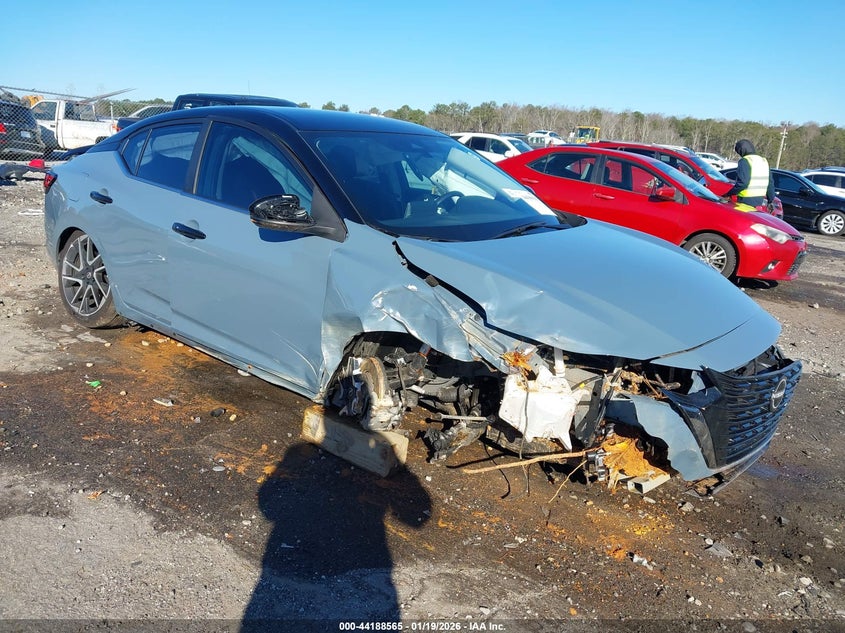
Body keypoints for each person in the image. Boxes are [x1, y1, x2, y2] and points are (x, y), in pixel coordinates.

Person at [721, 139, 775, 210]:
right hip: (759, 200)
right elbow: (770, 183)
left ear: (741, 150)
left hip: (745, 200)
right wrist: (770, 200)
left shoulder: (745, 161)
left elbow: (743, 183)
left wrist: (729, 194)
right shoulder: (763, 161)